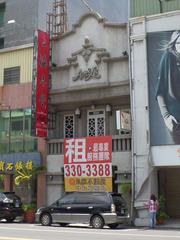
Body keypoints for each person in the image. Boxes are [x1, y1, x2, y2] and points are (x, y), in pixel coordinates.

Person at [156, 30, 180, 144]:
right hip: (176, 121)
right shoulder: (168, 57)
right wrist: (166, 116)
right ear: (174, 44)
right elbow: (160, 91)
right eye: (179, 42)